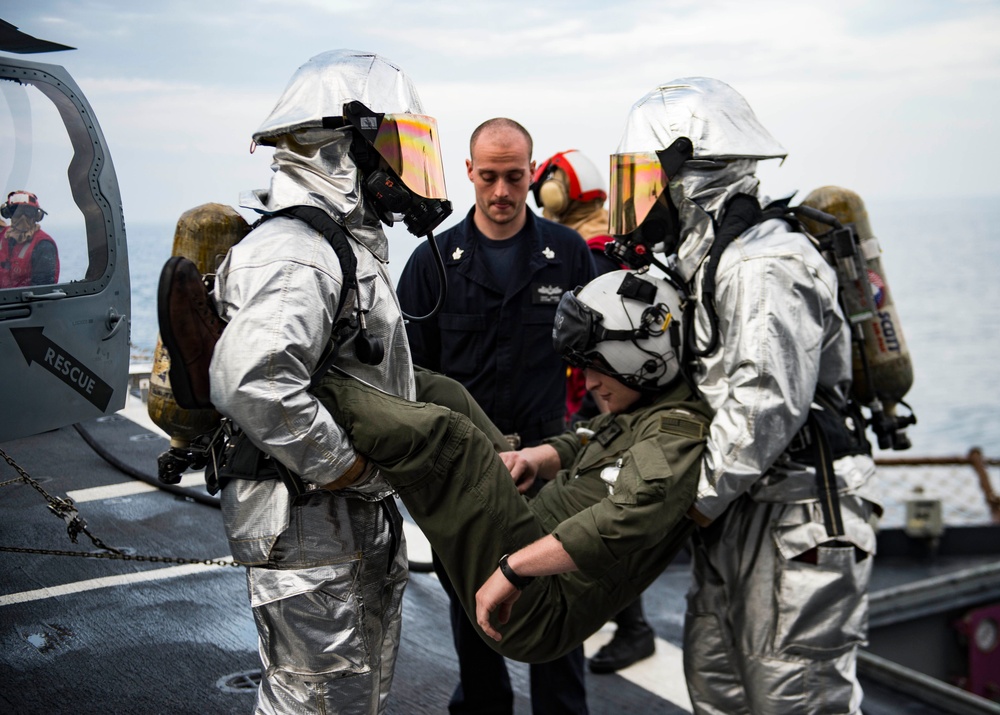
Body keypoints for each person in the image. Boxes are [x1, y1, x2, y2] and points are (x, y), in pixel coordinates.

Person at [607, 77, 880, 714]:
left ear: (688, 175)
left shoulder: (763, 265)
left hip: (796, 517)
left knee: (794, 696)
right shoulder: (706, 262)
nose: (637, 201)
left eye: (645, 180)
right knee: (717, 682)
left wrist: (681, 505)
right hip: (738, 511)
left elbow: (765, 403)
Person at [207, 50, 451, 715]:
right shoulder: (300, 250)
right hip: (312, 515)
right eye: (396, 145)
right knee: (314, 699)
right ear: (345, 148)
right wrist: (344, 466)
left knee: (349, 692)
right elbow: (254, 379)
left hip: (338, 514)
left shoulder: (338, 244)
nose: (406, 168)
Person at [311, 269, 709, 666]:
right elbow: (590, 439)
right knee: (448, 395)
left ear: (641, 359)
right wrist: (536, 457)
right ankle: (341, 366)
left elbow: (630, 516)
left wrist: (516, 569)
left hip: (542, 603)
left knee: (451, 439)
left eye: (597, 367)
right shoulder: (644, 403)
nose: (589, 383)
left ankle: (306, 383)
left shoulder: (677, 431)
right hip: (541, 525)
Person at [397, 119, 597, 714]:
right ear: (469, 174)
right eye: (489, 177)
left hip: (551, 472)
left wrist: (582, 440)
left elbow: (606, 362)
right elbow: (406, 379)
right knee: (474, 625)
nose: (502, 192)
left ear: (532, 173)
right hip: (467, 478)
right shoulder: (432, 265)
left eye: (514, 177)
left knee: (561, 616)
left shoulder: (568, 256)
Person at [532, 149, 654, 675]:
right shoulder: (621, 245)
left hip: (593, 403)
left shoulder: (585, 252)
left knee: (596, 515)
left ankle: (633, 627)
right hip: (629, 396)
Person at [0, 190, 59, 288]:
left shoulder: (44, 245)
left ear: (37, 216)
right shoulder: (2, 237)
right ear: (8, 213)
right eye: (17, 211)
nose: (23, 217)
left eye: (28, 212)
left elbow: (41, 289)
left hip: (25, 302)